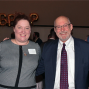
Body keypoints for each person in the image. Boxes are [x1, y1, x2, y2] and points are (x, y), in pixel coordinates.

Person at [36, 16, 89, 89]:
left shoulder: (85, 47)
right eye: (58, 27)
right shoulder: (47, 48)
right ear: (55, 30)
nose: (62, 29)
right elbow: (37, 70)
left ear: (71, 27)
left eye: (65, 26)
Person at [0, 14, 41, 89]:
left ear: (30, 30)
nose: (23, 31)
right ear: (14, 29)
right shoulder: (2, 46)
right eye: (19, 27)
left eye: (27, 28)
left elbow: (41, 67)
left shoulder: (36, 47)